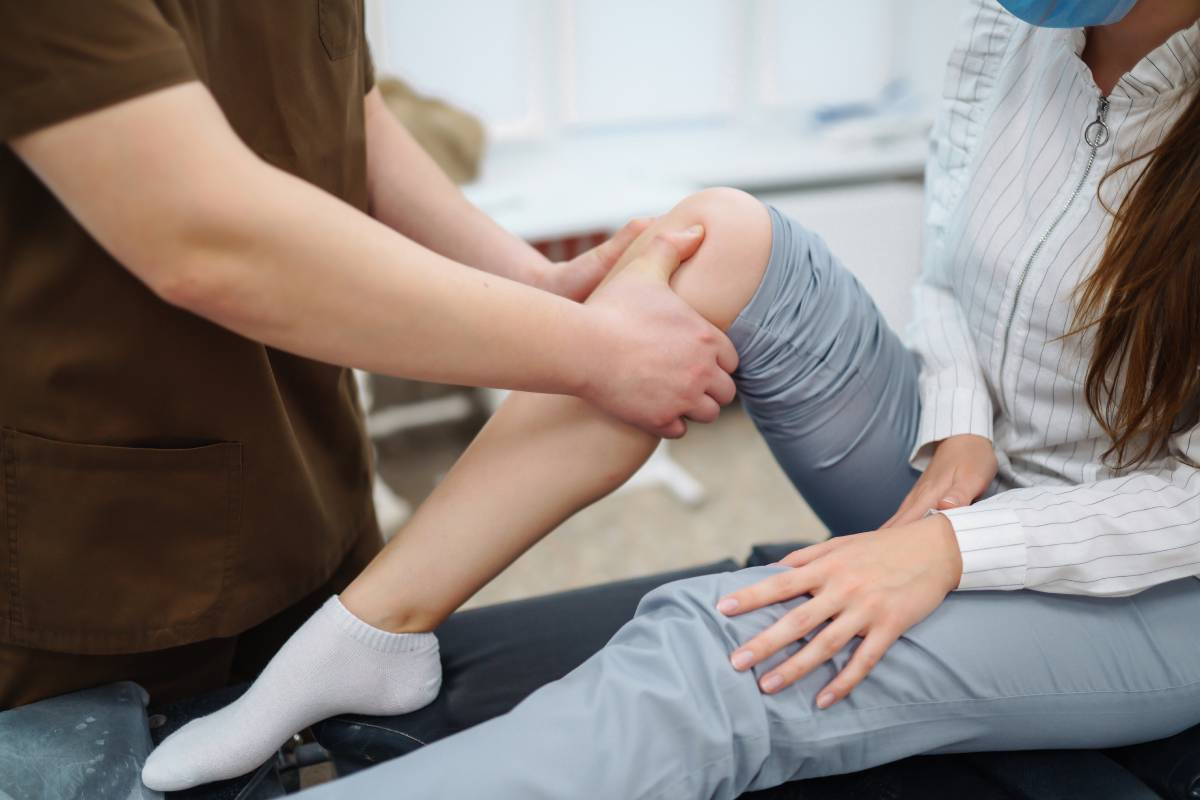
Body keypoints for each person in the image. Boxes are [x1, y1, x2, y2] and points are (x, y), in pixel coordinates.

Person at [142, 0, 1200, 794]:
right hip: (971, 477)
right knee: (716, 235)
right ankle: (373, 631)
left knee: (732, 650)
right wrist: (960, 413)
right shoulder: (1008, 32)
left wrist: (960, 551)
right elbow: (945, 257)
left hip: (1153, 574)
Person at [0, 2, 737, 709]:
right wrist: (594, 352)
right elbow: (198, 230)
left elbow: (348, 113)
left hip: (314, 475)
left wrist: (533, 281)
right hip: (97, 531)